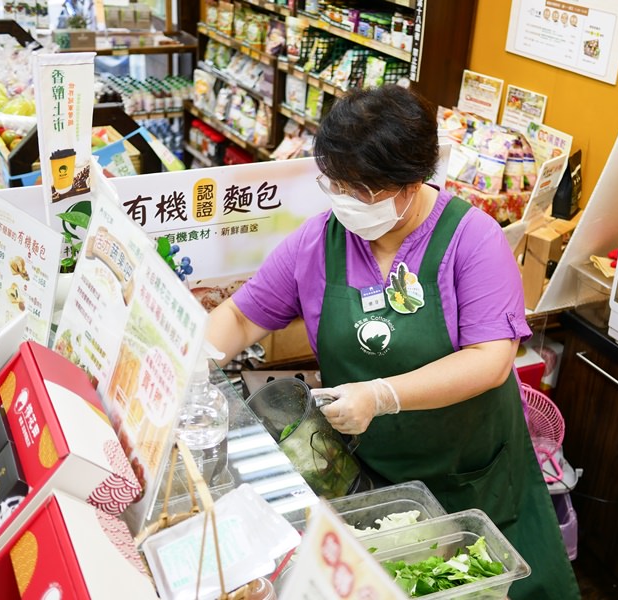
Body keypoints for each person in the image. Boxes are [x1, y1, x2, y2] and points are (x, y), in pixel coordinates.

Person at [205, 84, 580, 600]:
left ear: (412, 181)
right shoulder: (318, 242)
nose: (345, 200)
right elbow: (242, 319)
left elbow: (491, 360)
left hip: (470, 472)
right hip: (372, 474)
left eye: (362, 189)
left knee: (480, 585)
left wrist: (382, 395)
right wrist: (190, 360)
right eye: (334, 183)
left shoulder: (474, 241)